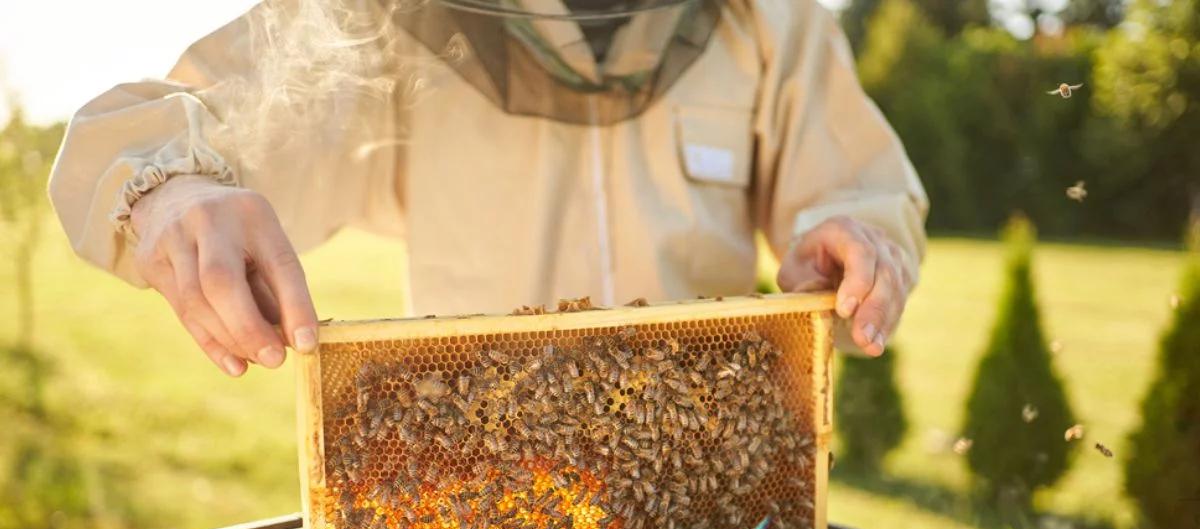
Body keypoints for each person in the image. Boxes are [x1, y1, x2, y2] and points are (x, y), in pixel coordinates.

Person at [49, 0, 927, 378]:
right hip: (486, 500)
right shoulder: (388, 21)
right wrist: (170, 194)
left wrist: (849, 242)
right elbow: (158, 129)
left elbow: (859, 189)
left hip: (716, 503)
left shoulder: (767, 19)